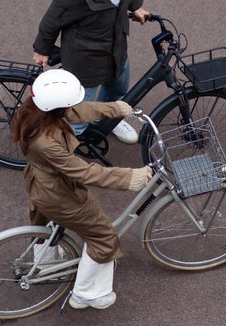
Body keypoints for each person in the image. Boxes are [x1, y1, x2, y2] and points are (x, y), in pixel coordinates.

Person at [11, 69, 153, 309]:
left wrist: (115, 109)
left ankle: (45, 263)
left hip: (41, 184)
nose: (72, 108)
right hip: (60, 193)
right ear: (59, 109)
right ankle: (86, 294)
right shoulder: (46, 142)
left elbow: (79, 111)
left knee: (44, 224)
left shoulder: (35, 112)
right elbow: (84, 172)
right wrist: (129, 178)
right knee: (104, 238)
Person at [32, 0, 150, 144]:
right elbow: (51, 20)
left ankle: (108, 120)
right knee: (80, 114)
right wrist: (43, 49)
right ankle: (64, 151)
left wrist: (136, 6)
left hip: (116, 49)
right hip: (87, 60)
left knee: (119, 89)